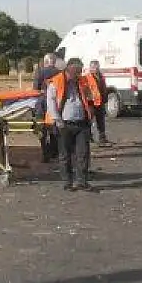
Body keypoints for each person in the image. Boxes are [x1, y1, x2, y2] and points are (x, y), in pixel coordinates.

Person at [45, 57, 100, 191]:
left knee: (83, 154)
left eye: (80, 72)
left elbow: (89, 98)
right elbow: (51, 103)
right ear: (70, 69)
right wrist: (58, 121)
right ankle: (67, 182)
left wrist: (91, 116)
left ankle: (82, 181)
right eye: (77, 72)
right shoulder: (56, 82)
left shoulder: (82, 81)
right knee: (65, 155)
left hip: (81, 123)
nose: (79, 74)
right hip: (64, 124)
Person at [33, 54, 62, 162]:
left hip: (41, 103)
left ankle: (45, 154)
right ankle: (54, 152)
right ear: (54, 61)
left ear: (45, 61)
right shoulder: (60, 73)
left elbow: (35, 89)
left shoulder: (39, 72)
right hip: (54, 103)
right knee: (54, 128)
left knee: (42, 130)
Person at [85, 60, 110, 145]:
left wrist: (105, 99)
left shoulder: (101, 76)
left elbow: (104, 88)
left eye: (97, 66)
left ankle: (102, 138)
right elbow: (86, 90)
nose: (95, 68)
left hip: (100, 102)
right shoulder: (87, 77)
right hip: (91, 102)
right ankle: (88, 137)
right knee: (89, 120)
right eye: (93, 67)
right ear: (90, 68)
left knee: (101, 121)